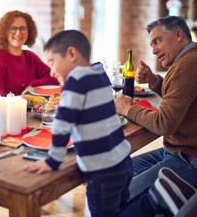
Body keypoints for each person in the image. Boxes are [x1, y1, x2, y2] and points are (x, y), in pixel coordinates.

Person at [24, 30, 133, 217]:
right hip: (123, 161)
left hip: (102, 171)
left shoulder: (74, 82)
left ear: (71, 54)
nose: (51, 71)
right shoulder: (100, 74)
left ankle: (153, 203)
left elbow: (62, 125)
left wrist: (53, 161)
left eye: (51, 62)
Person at [115, 16, 197, 201]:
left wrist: (128, 109)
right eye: (152, 44)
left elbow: (163, 124)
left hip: (193, 158)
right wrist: (154, 80)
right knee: (115, 177)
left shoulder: (187, 66)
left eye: (158, 41)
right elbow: (183, 94)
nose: (154, 50)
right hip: (182, 151)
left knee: (118, 195)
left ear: (178, 35)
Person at [0, 10, 59, 96]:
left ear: (29, 32)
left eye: (23, 28)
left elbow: (54, 76)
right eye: (13, 28)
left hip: (30, 108)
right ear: (5, 31)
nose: (18, 33)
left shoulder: (30, 57)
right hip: (5, 108)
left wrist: (33, 85)